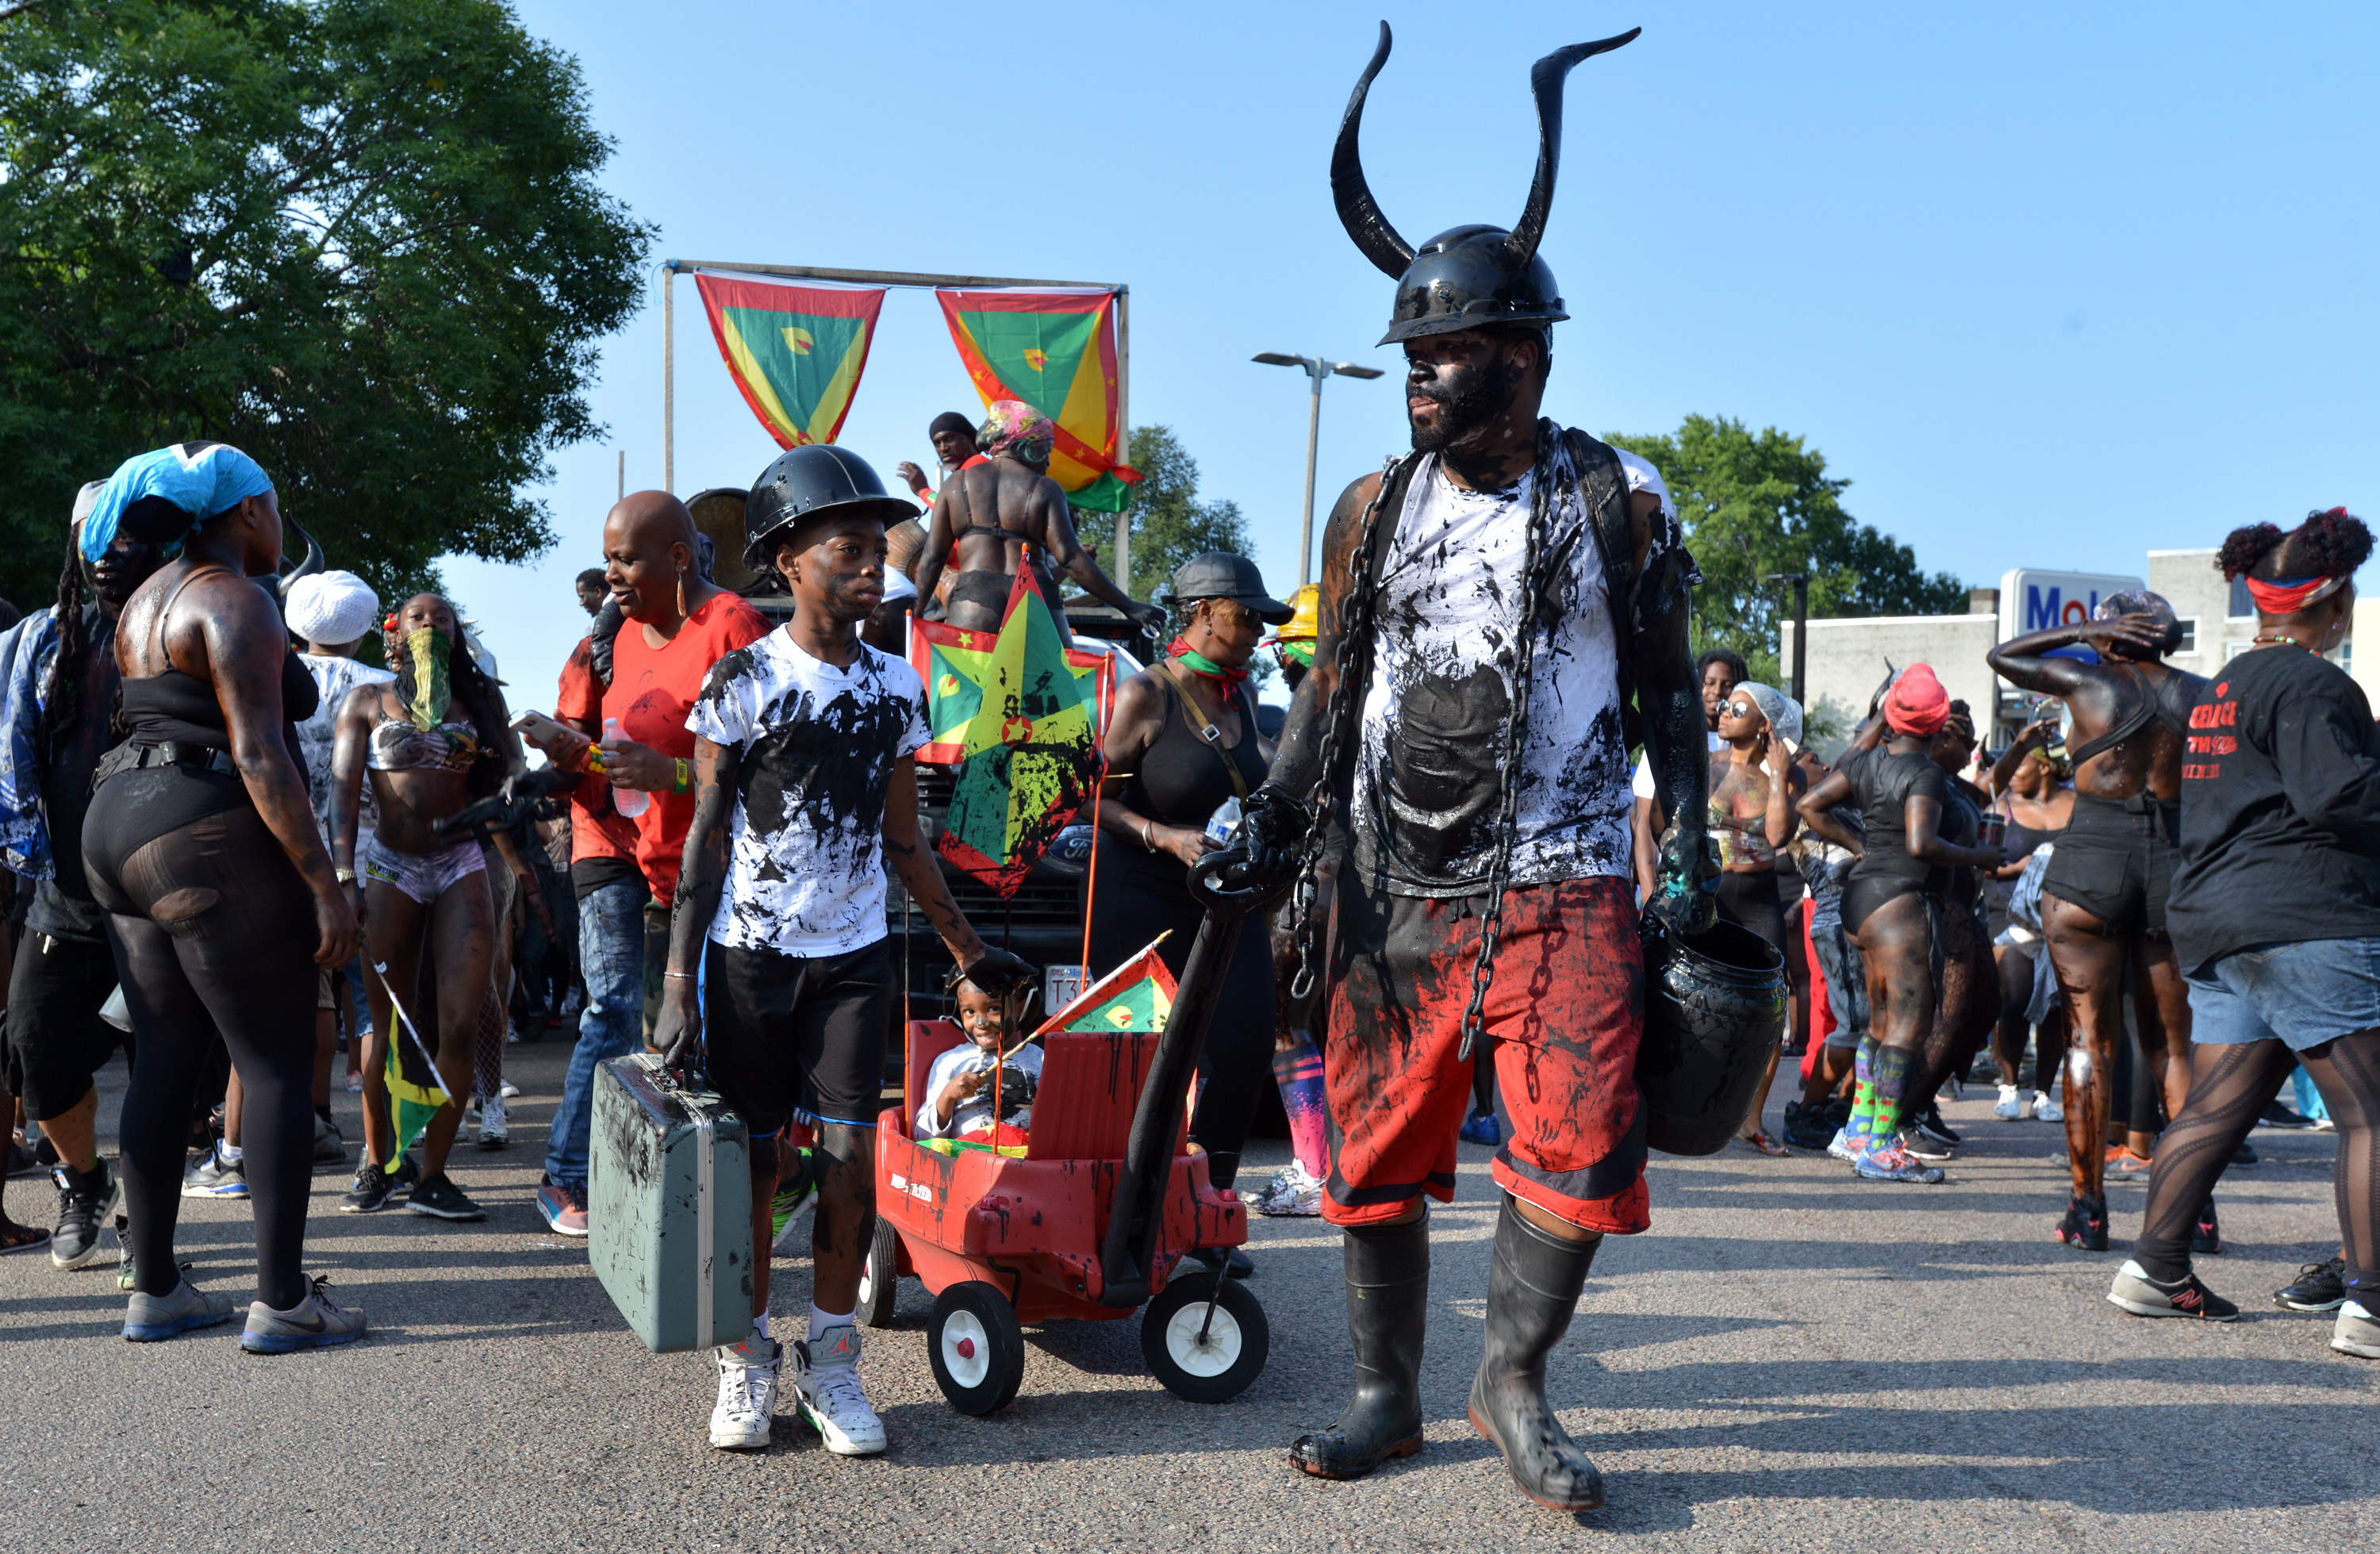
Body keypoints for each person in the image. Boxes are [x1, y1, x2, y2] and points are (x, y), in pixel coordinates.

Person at [1241, 25, 1713, 1510]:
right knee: (1373, 1142)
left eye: (1450, 350)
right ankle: (1387, 1387)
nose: (1422, 375)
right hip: (1392, 882)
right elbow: (1332, 679)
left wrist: (1687, 834)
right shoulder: (1371, 505)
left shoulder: (1615, 495)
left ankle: (1510, 1377)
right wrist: (1272, 809)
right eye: (1413, 352)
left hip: (1568, 877)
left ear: (1529, 350)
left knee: (1576, 1140)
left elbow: (1665, 694)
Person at [655, 442, 1032, 1458]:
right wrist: (675, 987)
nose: (876, 566)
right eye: (851, 548)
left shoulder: (896, 686)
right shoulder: (743, 679)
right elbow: (704, 840)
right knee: (754, 1166)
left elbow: (903, 839)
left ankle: (831, 1361)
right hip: (749, 959)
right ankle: (745, 1359)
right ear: (787, 560)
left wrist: (965, 952)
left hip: (855, 956)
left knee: (849, 1158)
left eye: (879, 549)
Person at [77, 441, 365, 1349]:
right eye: (275, 507)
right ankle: (283, 1301)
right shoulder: (232, 596)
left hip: (116, 823)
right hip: (200, 824)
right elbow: (258, 751)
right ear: (246, 512)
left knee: (163, 1055)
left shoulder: (140, 603)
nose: (281, 526)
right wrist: (326, 885)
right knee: (275, 1058)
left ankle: (156, 1287)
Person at [2106, 508, 2380, 1360]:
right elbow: (2339, 799)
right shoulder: (2315, 685)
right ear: (2332, 601)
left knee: (2221, 1102)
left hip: (2218, 922)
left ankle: (2154, 1268)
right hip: (2305, 919)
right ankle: (2372, 1305)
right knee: (2372, 1114)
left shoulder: (2221, 687)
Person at [516, 492, 772, 1236]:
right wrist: (565, 748)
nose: (613, 574)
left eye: (626, 558)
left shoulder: (732, 626)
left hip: (695, 854)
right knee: (613, 1002)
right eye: (608, 559)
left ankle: (709, 1176)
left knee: (697, 1017)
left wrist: (669, 772)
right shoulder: (610, 636)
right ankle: (564, 1176)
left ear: (680, 556)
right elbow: (591, 752)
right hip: (608, 843)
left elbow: (767, 766)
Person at [1091, 553, 1294, 1271]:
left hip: (1221, 903)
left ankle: (1205, 1209)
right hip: (1137, 898)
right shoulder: (1148, 693)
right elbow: (1095, 799)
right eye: (1248, 616)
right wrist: (1163, 835)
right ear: (1204, 611)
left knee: (1241, 1049)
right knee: (1143, 1066)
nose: (1256, 633)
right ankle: (1126, 1213)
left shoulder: (1240, 698)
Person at [1987, 591, 2203, 1252]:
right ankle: (2195, 1211)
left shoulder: (2087, 678)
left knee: (2088, 1041)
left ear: (2114, 635)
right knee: (2172, 1044)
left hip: (2090, 867)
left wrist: (2092, 631)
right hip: (2171, 864)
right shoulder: (2204, 693)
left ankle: (2088, 1209)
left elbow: (2003, 655)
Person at [0, 482, 170, 1265]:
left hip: (166, 895)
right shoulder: (41, 640)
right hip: (65, 892)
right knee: (35, 1044)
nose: (109, 553)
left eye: (125, 535)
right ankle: (82, 1180)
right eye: (93, 537)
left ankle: (147, 1223)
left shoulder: (184, 632)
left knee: (164, 1065)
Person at [326, 594, 523, 1220]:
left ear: (458, 634)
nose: (430, 626)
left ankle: (434, 1175)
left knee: (461, 1021)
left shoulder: (480, 702)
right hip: (390, 867)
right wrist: (343, 876)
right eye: (418, 617)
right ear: (395, 633)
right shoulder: (368, 701)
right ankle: (381, 1162)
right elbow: (342, 792)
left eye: (442, 619)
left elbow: (504, 787)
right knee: (386, 1024)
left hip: (462, 862)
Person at [1798, 666, 2001, 1184]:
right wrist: (1978, 853)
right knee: (1910, 1026)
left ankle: (1860, 1131)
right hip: (1903, 905)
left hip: (1860, 900)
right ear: (1937, 725)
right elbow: (1921, 843)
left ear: (1891, 715)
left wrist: (1858, 846)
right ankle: (1884, 1146)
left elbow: (1810, 804)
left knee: (1880, 1023)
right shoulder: (1926, 771)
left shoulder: (1867, 761)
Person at [284, 568, 392, 1175]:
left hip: (291, 862)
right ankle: (382, 1142)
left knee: (300, 999)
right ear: (363, 626)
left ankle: (311, 1117)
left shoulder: (274, 680)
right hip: (371, 864)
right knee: (373, 1001)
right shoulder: (385, 686)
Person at [909, 400, 1162, 639]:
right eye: (1045, 449)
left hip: (974, 602)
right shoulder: (1046, 489)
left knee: (968, 683)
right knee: (1053, 684)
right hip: (1036, 600)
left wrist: (914, 617)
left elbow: (932, 558)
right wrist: (1130, 607)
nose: (1049, 460)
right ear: (1022, 446)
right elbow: (1072, 560)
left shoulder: (955, 485)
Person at [1709, 681, 1805, 1155]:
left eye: (1737, 708)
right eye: (1724, 706)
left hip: (1760, 896)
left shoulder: (1787, 775)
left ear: (1764, 724)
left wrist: (1780, 772)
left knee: (1771, 1009)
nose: (1725, 712)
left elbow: (1778, 832)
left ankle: (1752, 1118)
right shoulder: (1706, 767)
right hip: (1712, 895)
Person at [1983, 712, 2074, 1122]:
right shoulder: (2002, 807)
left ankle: (2044, 1093)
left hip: (2063, 918)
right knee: (2016, 998)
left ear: (2043, 765)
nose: (2011, 772)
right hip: (2010, 916)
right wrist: (2020, 868)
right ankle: (2009, 1085)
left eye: (2019, 763)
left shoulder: (2077, 804)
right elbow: (1984, 865)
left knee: (2055, 1005)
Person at [1779, 744, 1868, 1151]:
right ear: (1795, 777)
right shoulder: (1799, 813)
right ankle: (1806, 1112)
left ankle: (1844, 1105)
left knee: (1865, 1024)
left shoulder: (1842, 808)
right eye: (1814, 761)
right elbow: (1854, 755)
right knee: (1852, 1024)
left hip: (1862, 923)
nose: (1827, 766)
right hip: (1835, 925)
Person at [1633, 648, 1742, 902]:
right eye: (1709, 683)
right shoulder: (1669, 741)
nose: (1717, 692)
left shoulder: (1749, 746)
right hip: (1677, 884)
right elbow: (1642, 825)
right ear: (1695, 684)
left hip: (1735, 887)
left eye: (1728, 684)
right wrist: (1651, 894)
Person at [916, 974, 1042, 1142]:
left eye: (994, 1008)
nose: (981, 1022)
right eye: (970, 1012)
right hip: (966, 1158)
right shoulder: (950, 1062)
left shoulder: (1042, 1060)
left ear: (1020, 1008)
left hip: (1024, 1158)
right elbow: (923, 1137)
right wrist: (948, 1095)